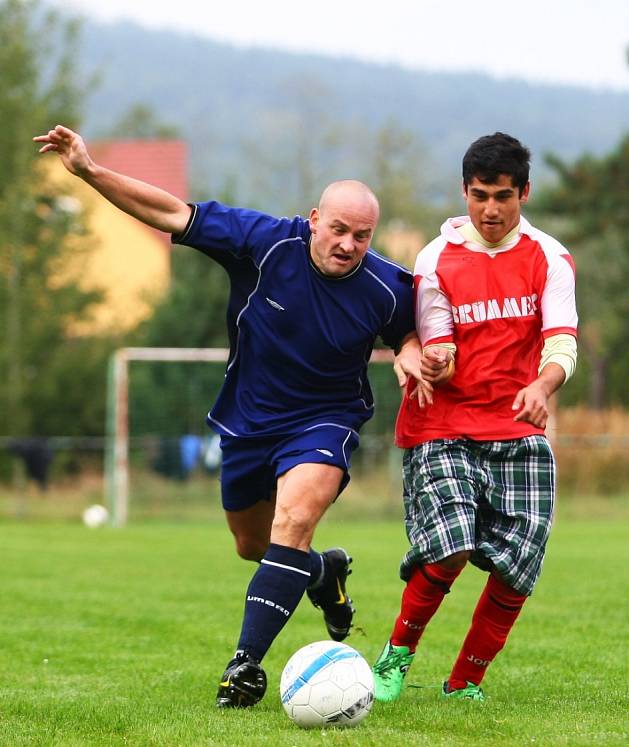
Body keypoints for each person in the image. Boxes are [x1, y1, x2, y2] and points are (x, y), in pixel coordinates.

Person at [34, 124, 420, 708]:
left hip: (326, 420)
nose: (347, 244)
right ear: (314, 218)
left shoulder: (387, 286)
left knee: (292, 522)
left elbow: (416, 328)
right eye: (338, 229)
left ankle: (244, 667)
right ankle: (322, 573)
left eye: (361, 236)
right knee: (253, 545)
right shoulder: (264, 241)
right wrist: (88, 171)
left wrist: (415, 354)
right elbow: (171, 212)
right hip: (248, 422)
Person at [372, 132, 578, 702]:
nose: (491, 209)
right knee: (452, 544)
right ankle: (396, 656)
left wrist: (543, 383)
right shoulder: (435, 258)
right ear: (464, 191)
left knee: (517, 567)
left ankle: (464, 684)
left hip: (517, 427)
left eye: (504, 196)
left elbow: (562, 343)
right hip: (444, 423)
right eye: (481, 194)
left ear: (525, 194)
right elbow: (439, 340)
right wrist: (434, 362)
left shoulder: (550, 258)